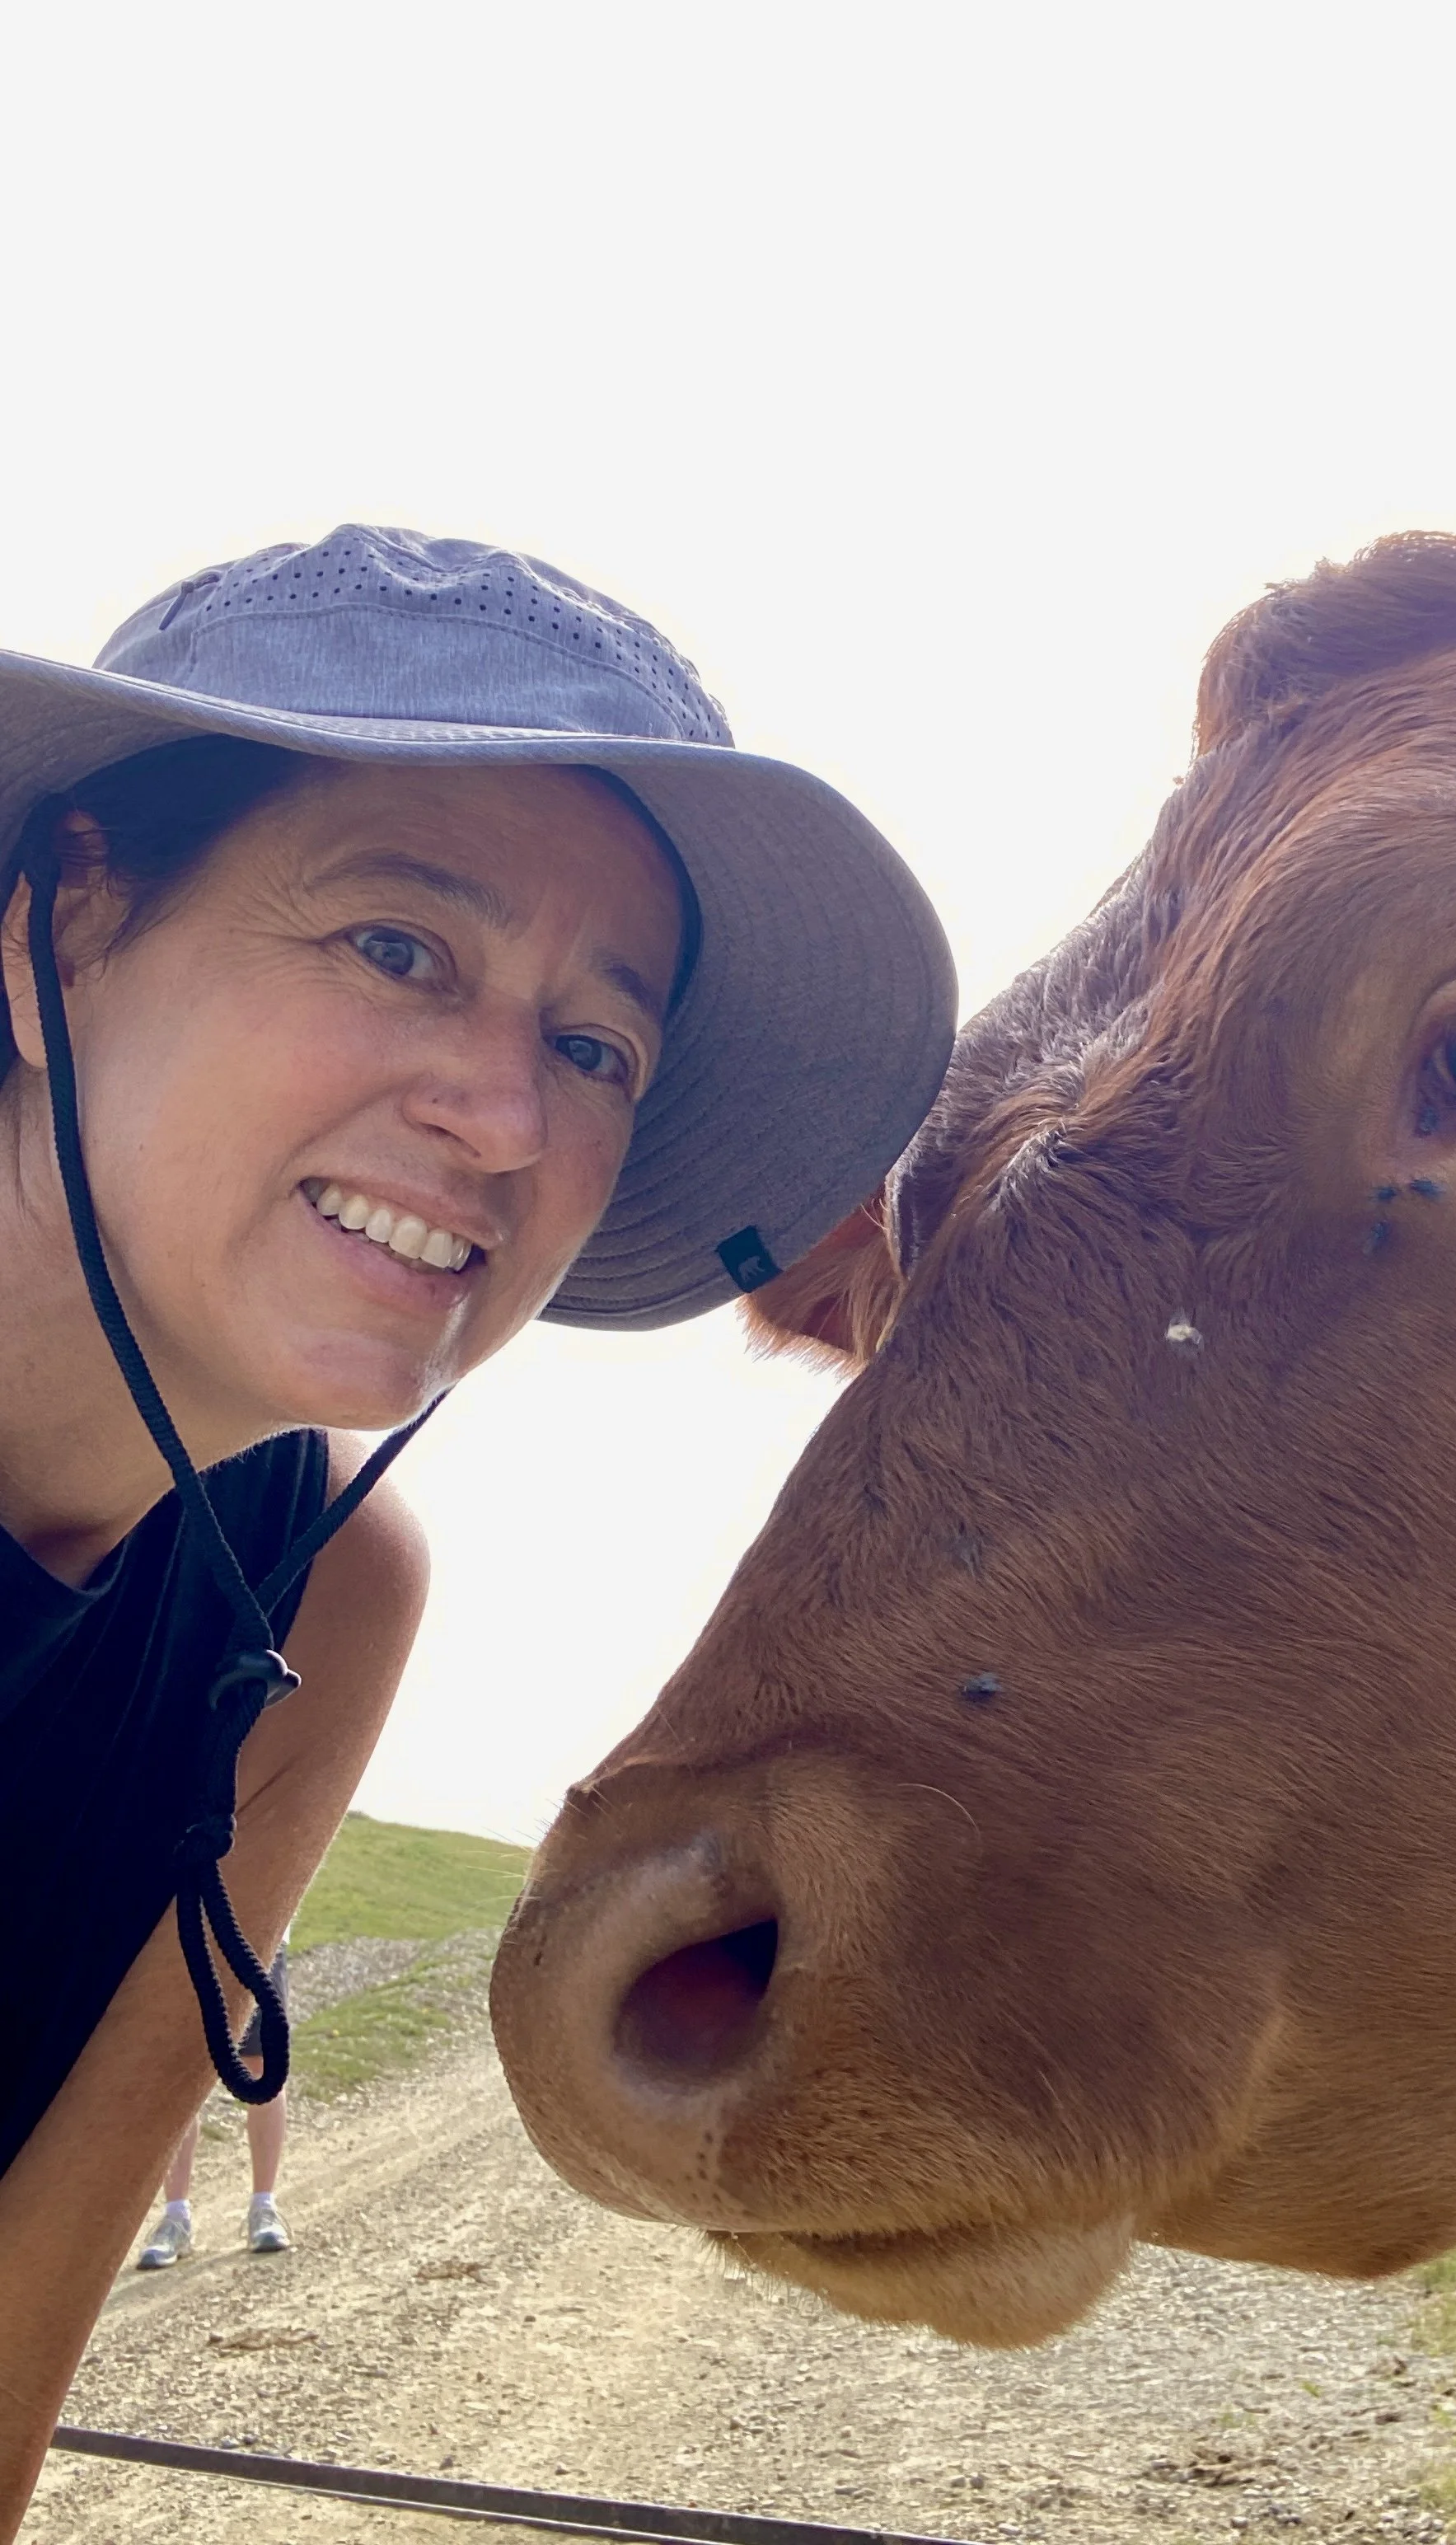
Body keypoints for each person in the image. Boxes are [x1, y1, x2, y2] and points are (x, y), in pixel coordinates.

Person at [0, 527, 955, 2531]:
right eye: (397, 948)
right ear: (53, 925)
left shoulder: (328, 1596)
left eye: (593, 1044)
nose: (507, 1120)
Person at [137, 1934, 292, 2265]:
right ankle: (175, 2217)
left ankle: (264, 2207)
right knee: (179, 2073)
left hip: (255, 1937)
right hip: (178, 1941)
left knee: (262, 2064)